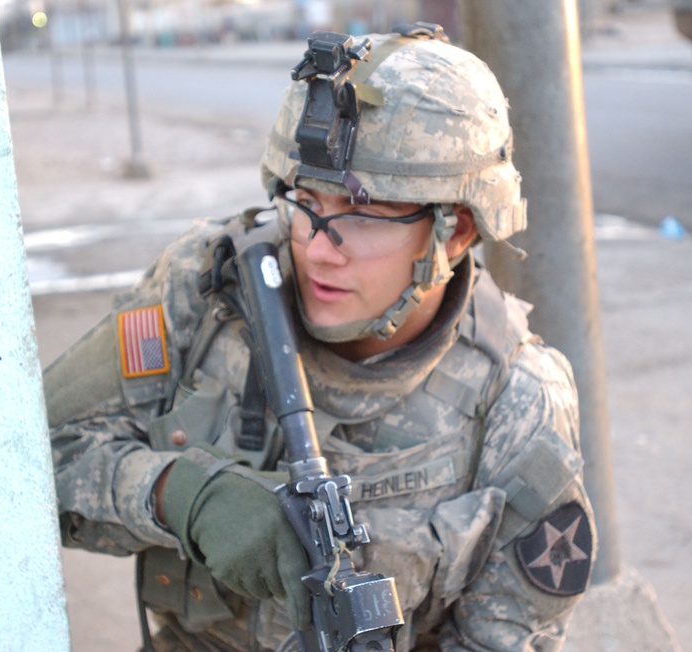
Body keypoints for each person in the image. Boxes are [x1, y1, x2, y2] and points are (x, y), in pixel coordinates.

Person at [44, 22, 595, 652]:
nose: (317, 249)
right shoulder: (210, 290)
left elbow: (507, 636)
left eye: (361, 217)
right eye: (306, 202)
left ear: (457, 230)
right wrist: (181, 495)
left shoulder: (518, 401)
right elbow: (33, 459)